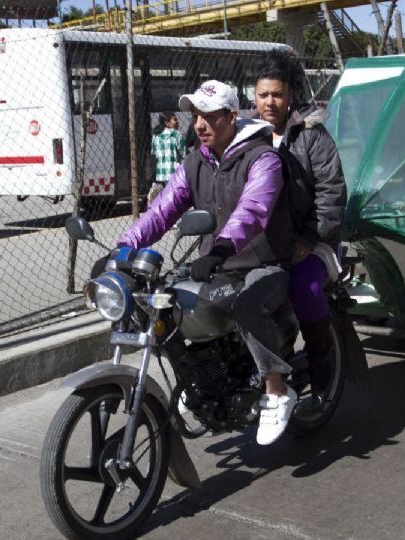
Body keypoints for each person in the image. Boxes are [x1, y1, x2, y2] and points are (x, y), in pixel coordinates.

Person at [114, 80, 298, 445]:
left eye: (209, 116)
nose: (199, 124)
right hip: (218, 264)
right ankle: (201, 378)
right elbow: (163, 208)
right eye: (195, 115)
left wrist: (221, 247)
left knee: (248, 305)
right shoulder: (196, 160)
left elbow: (254, 210)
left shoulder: (262, 158)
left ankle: (277, 390)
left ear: (232, 117)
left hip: (265, 262)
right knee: (168, 301)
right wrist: (124, 246)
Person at [254, 50, 346, 406]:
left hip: (315, 240)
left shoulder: (312, 134)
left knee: (304, 286)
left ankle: (322, 357)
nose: (270, 102)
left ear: (290, 94)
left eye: (277, 94)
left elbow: (332, 190)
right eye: (263, 95)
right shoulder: (249, 135)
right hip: (266, 245)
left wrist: (309, 237)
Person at [148, 112, 184, 205]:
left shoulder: (155, 136)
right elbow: (184, 153)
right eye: (175, 119)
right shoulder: (176, 134)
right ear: (166, 122)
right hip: (174, 174)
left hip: (160, 175)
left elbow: (154, 153)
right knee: (175, 201)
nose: (177, 121)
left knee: (163, 202)